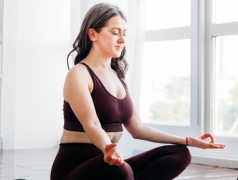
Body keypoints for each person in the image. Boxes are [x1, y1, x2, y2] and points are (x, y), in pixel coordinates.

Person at [50, 3, 226, 180]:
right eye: (115, 32)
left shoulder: (118, 76)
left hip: (109, 162)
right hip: (75, 168)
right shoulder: (79, 74)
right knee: (121, 170)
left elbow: (137, 128)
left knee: (179, 153)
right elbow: (92, 125)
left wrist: (188, 140)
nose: (122, 40)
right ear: (92, 34)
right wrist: (107, 149)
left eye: (124, 33)